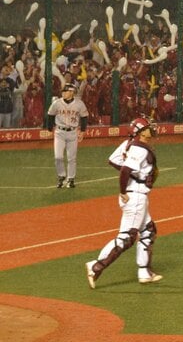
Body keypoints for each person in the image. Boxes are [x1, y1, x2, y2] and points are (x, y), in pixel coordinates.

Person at [86, 116, 162, 288]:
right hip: (134, 196)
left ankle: (144, 272)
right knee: (127, 237)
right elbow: (125, 169)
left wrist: (133, 175)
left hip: (136, 194)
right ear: (141, 132)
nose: (152, 129)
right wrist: (123, 189)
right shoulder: (139, 149)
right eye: (148, 127)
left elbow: (113, 160)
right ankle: (96, 266)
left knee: (148, 231)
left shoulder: (129, 144)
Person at [47, 81, 90, 188]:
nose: (63, 93)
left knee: (71, 158)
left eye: (66, 91)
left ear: (71, 92)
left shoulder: (79, 103)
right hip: (59, 132)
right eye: (63, 91)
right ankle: (61, 176)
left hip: (73, 132)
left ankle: (71, 179)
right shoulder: (57, 103)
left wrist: (82, 131)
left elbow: (84, 117)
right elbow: (50, 115)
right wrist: (49, 128)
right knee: (58, 157)